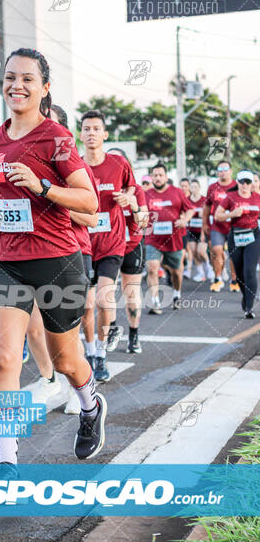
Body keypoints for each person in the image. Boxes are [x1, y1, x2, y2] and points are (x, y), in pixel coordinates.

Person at [0, 48, 106, 466]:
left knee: (65, 359)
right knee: (5, 359)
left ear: (45, 87)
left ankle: (89, 404)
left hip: (57, 260)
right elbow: (3, 198)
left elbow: (89, 202)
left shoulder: (56, 139)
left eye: (28, 78)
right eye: (10, 77)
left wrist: (42, 185)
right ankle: (6, 463)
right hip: (6, 259)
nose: (17, 85)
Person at [81, 110, 136, 382]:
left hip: (112, 243)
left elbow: (131, 189)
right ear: (81, 135)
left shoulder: (118, 163)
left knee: (104, 298)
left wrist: (127, 199)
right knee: (86, 306)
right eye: (86, 129)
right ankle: (91, 350)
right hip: (82, 244)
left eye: (96, 129)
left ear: (105, 134)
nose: (91, 133)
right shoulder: (75, 166)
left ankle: (102, 353)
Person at [145, 163, 195, 313]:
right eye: (155, 175)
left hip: (174, 239)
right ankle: (155, 302)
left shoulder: (177, 192)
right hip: (153, 239)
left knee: (176, 272)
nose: (158, 178)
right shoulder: (146, 194)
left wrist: (184, 220)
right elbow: (140, 212)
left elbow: (190, 209)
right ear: (152, 177)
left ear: (166, 177)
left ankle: (176, 294)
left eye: (161, 175)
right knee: (152, 268)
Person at [215, 170, 260, 318]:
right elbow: (217, 215)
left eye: (248, 182)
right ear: (238, 183)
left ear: (252, 183)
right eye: (242, 182)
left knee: (250, 270)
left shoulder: (258, 198)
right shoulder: (230, 197)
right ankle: (246, 296)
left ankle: (249, 307)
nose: (245, 185)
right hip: (236, 236)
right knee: (239, 274)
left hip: (253, 236)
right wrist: (231, 214)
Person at [119, 184, 148, 353]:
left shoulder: (136, 189)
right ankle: (108, 333)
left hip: (132, 245)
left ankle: (134, 335)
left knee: (131, 292)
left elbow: (144, 222)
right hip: (106, 246)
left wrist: (134, 205)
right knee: (102, 292)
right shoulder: (98, 183)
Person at [203, 161, 239, 292]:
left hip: (234, 226)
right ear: (218, 172)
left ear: (230, 171)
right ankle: (218, 278)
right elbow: (206, 206)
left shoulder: (237, 185)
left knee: (233, 253)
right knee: (216, 251)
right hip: (217, 226)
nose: (223, 172)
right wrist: (204, 223)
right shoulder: (212, 187)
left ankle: (234, 280)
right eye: (220, 169)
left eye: (225, 169)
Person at [186, 179, 213, 282]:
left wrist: (203, 232)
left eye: (195, 187)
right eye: (192, 187)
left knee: (201, 251)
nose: (194, 189)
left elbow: (209, 214)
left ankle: (209, 267)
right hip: (191, 230)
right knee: (194, 252)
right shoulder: (187, 200)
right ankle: (200, 272)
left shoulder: (204, 200)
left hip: (202, 230)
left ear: (199, 188)